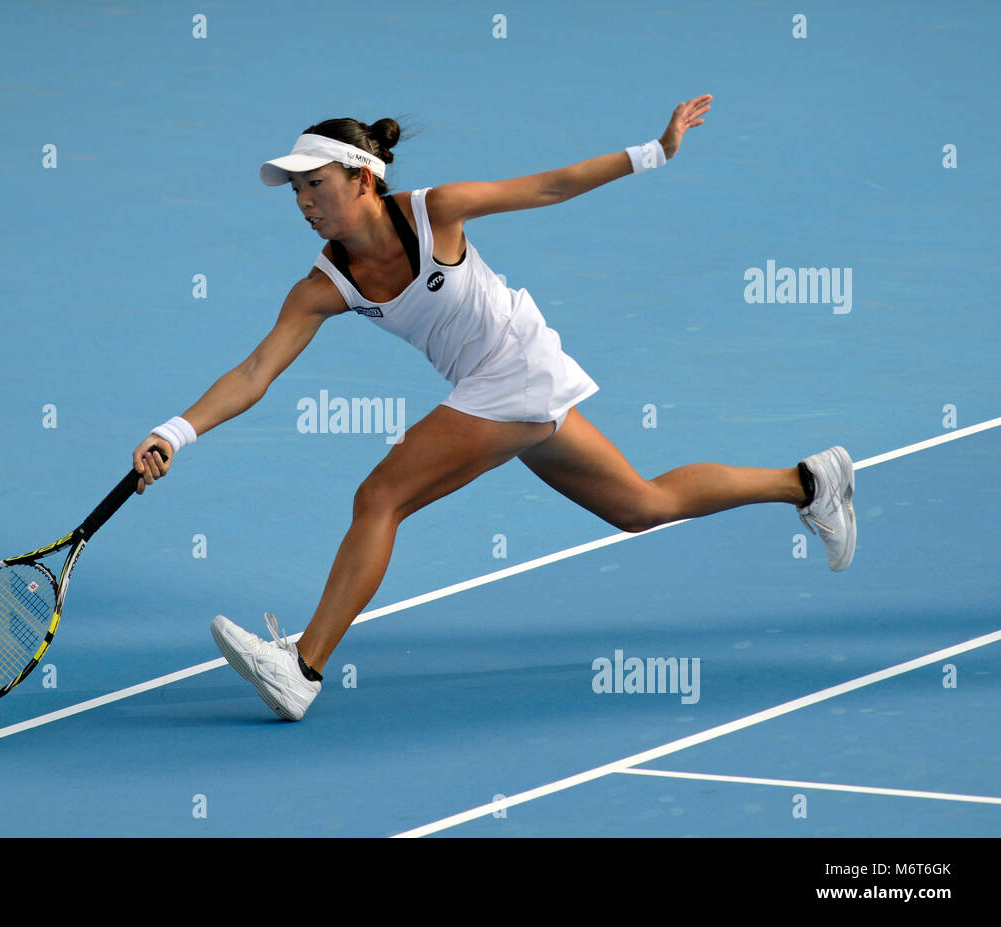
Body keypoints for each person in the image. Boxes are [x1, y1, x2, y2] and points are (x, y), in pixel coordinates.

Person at [130, 95, 856, 721]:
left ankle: (305, 666)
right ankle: (810, 481)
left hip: (512, 370)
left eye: (314, 183)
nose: (303, 201)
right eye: (294, 190)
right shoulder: (321, 285)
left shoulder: (434, 210)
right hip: (503, 387)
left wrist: (656, 151)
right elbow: (256, 372)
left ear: (362, 180)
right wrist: (175, 432)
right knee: (640, 504)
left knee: (380, 495)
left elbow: (546, 187)